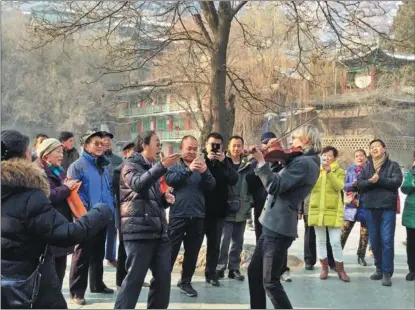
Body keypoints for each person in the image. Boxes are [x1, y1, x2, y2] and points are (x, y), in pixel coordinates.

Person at [1, 130, 112, 309]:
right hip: (29, 286)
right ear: (24, 155)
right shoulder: (31, 195)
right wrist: (100, 211)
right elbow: (67, 234)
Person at [247, 124, 321, 309]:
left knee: (270, 282)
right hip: (271, 224)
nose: (291, 141)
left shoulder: (305, 163)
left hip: (279, 227)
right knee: (254, 272)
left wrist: (261, 161)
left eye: (295, 138)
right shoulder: (300, 160)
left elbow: (274, 186)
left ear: (307, 140)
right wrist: (272, 155)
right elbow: (279, 174)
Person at [114, 131, 181, 309]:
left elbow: (150, 199)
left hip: (158, 232)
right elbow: (138, 184)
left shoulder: (151, 168)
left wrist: (164, 199)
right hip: (138, 232)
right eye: (156, 142)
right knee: (134, 279)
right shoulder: (130, 165)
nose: (159, 146)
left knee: (163, 278)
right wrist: (161, 166)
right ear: (144, 145)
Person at [67, 130, 115, 305]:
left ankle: (97, 284)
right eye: (96, 143)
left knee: (98, 253)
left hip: (102, 216)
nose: (101, 146)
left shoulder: (103, 165)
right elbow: (73, 194)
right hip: (86, 218)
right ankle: (76, 292)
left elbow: (108, 190)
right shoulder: (77, 166)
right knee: (82, 255)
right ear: (85, 146)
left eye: (102, 143)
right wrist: (85, 213)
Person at [165, 135, 216, 297]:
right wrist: (188, 170)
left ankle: (186, 281)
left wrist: (205, 172)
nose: (192, 151)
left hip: (198, 215)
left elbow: (211, 186)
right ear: (181, 149)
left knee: (192, 251)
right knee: (170, 250)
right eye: (189, 148)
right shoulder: (174, 165)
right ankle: (162, 279)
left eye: (195, 148)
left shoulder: (202, 166)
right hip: (178, 215)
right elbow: (171, 180)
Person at [246, 132, 295, 282]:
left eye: (272, 143)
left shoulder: (281, 162)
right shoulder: (257, 161)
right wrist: (255, 161)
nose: (269, 147)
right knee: (261, 239)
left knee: (279, 242)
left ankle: (282, 269)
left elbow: (280, 182)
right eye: (266, 143)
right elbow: (250, 181)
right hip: (261, 205)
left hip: (277, 207)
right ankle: (263, 268)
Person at [358, 139, 403, 287]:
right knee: (375, 241)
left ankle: (386, 273)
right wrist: (371, 181)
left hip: (387, 208)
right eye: (372, 147)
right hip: (370, 208)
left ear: (384, 148)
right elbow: (360, 185)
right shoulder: (366, 167)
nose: (374, 149)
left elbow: (396, 182)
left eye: (377, 146)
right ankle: (378, 268)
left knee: (387, 240)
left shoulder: (393, 165)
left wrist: (380, 179)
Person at [34, 138, 78, 288]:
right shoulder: (38, 171)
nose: (61, 155)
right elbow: (46, 195)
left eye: (62, 151)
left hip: (60, 223)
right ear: (46, 155)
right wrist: (66, 188)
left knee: (60, 268)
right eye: (58, 151)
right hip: (48, 226)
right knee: (51, 273)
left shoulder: (57, 170)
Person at [308, 146, 350, 282]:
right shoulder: (315, 171)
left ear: (335, 157)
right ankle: (324, 268)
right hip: (317, 209)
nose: (327, 158)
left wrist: (329, 172)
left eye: (330, 156)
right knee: (320, 241)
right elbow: (310, 187)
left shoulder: (340, 171)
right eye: (324, 155)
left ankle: (340, 269)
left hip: (333, 210)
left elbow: (339, 186)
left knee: (335, 241)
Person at [203, 132, 238, 287]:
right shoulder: (201, 160)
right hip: (201, 210)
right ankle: (186, 277)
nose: (215, 148)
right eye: (212, 144)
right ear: (206, 145)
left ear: (222, 147)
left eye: (218, 145)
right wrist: (208, 162)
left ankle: (211, 274)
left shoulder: (227, 162)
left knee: (215, 245)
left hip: (219, 210)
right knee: (194, 244)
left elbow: (234, 179)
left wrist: (224, 162)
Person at [217, 136, 253, 281]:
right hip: (226, 206)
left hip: (242, 207)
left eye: (239, 146)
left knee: (238, 241)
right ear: (228, 147)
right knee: (223, 241)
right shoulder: (223, 162)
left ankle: (234, 268)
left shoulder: (248, 164)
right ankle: (219, 267)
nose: (236, 149)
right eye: (234, 146)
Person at [341, 149, 369, 266]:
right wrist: (353, 185)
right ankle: (336, 256)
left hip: (366, 205)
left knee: (365, 234)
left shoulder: (370, 169)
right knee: (343, 232)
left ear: (365, 157)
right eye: (357, 156)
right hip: (351, 206)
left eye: (361, 155)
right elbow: (344, 186)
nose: (359, 158)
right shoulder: (350, 170)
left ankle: (361, 256)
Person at [113, 140, 135, 289]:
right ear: (126, 153)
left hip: (136, 214)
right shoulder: (118, 170)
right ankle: (121, 279)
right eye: (133, 151)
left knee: (134, 249)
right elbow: (117, 194)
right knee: (123, 248)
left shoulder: (140, 168)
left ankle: (132, 277)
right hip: (124, 213)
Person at [299, 195, 336, 271]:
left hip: (327, 208)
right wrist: (299, 210)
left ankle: (331, 261)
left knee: (329, 237)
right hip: (309, 207)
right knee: (309, 236)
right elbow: (302, 189)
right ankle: (309, 261)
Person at [102, 131, 123, 267]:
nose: (108, 142)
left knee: (113, 228)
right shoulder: (97, 159)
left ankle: (110, 256)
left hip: (114, 197)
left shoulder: (118, 160)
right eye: (105, 139)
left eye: (109, 140)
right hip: (100, 197)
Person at [401, 152, 415, 281]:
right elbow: (404, 188)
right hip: (412, 213)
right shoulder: (411, 173)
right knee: (411, 244)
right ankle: (412, 270)